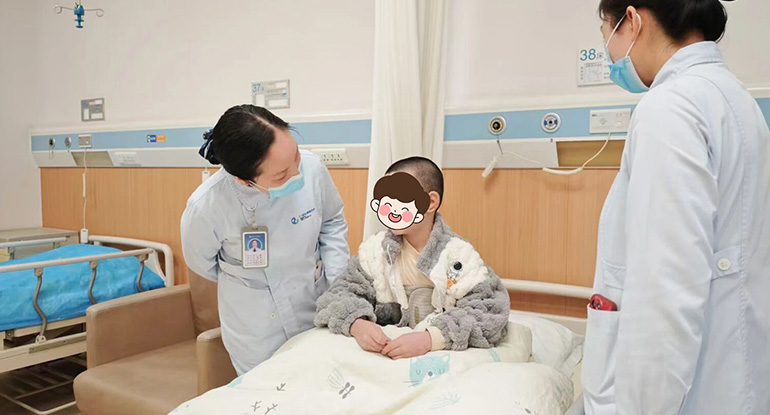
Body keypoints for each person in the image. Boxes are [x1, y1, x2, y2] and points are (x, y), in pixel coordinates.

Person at [582, 1, 770, 414]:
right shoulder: (734, 98)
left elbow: (664, 291)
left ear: (633, 21)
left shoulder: (670, 108)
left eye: (607, 37)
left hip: (686, 392)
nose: (610, 57)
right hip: (733, 375)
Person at [181, 105, 350, 375]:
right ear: (244, 180)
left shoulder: (312, 168)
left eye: (296, 156)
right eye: (282, 174)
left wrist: (337, 283)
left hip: (315, 305)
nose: (296, 173)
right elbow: (202, 264)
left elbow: (331, 221)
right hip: (257, 330)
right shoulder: (206, 207)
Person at [315, 157, 510, 359]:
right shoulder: (374, 252)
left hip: (440, 355)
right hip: (385, 351)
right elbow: (338, 294)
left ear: (431, 202)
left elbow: (490, 310)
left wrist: (430, 339)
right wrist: (357, 324)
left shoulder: (459, 256)